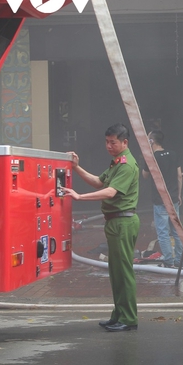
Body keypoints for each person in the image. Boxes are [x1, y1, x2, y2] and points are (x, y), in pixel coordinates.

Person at [62, 123, 140, 332]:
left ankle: (129, 318)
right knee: (116, 272)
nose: (108, 146)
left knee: (123, 272)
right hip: (115, 222)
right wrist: (77, 167)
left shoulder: (126, 165)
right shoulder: (116, 163)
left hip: (123, 221)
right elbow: (99, 182)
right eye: (106, 142)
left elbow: (110, 192)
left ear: (125, 142)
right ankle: (119, 315)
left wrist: (79, 197)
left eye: (113, 142)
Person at [142, 130, 183, 268]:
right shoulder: (173, 154)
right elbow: (179, 175)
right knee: (177, 230)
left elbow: (145, 175)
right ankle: (179, 260)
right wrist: (178, 194)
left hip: (160, 200)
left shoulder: (151, 157)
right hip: (173, 198)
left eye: (148, 139)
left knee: (163, 232)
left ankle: (168, 261)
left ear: (152, 141)